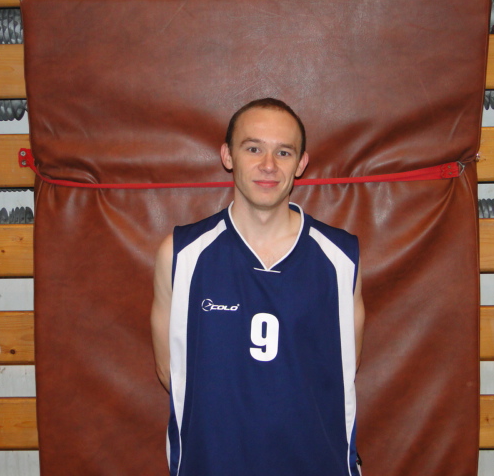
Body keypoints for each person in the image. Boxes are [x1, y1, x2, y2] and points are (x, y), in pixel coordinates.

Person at [150, 98, 365, 476]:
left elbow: (344, 367)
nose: (268, 165)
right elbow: (172, 373)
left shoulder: (340, 258)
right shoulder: (181, 255)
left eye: (283, 152)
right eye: (253, 149)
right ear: (227, 155)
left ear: (301, 163)